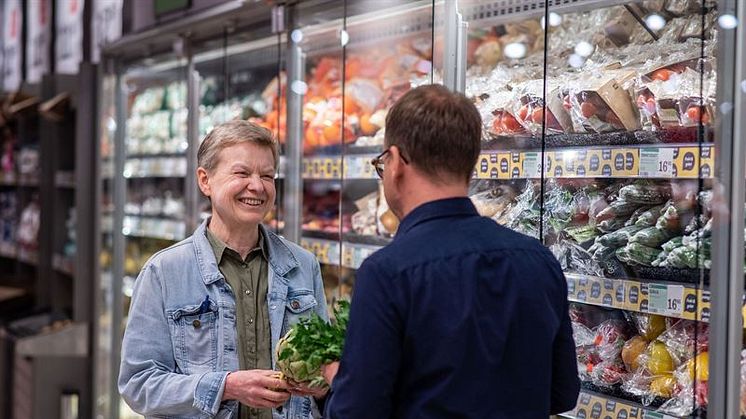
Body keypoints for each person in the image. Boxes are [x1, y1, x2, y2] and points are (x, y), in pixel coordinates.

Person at [321, 84, 580, 418]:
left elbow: (356, 413)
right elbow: (562, 393)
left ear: (396, 163)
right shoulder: (538, 259)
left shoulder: (387, 272)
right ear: (470, 162)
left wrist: (340, 381)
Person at [119, 120, 328, 419]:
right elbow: (138, 384)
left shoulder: (303, 266)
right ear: (205, 180)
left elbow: (325, 374)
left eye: (267, 175)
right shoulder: (164, 272)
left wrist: (322, 382)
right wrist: (226, 387)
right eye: (242, 173)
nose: (257, 186)